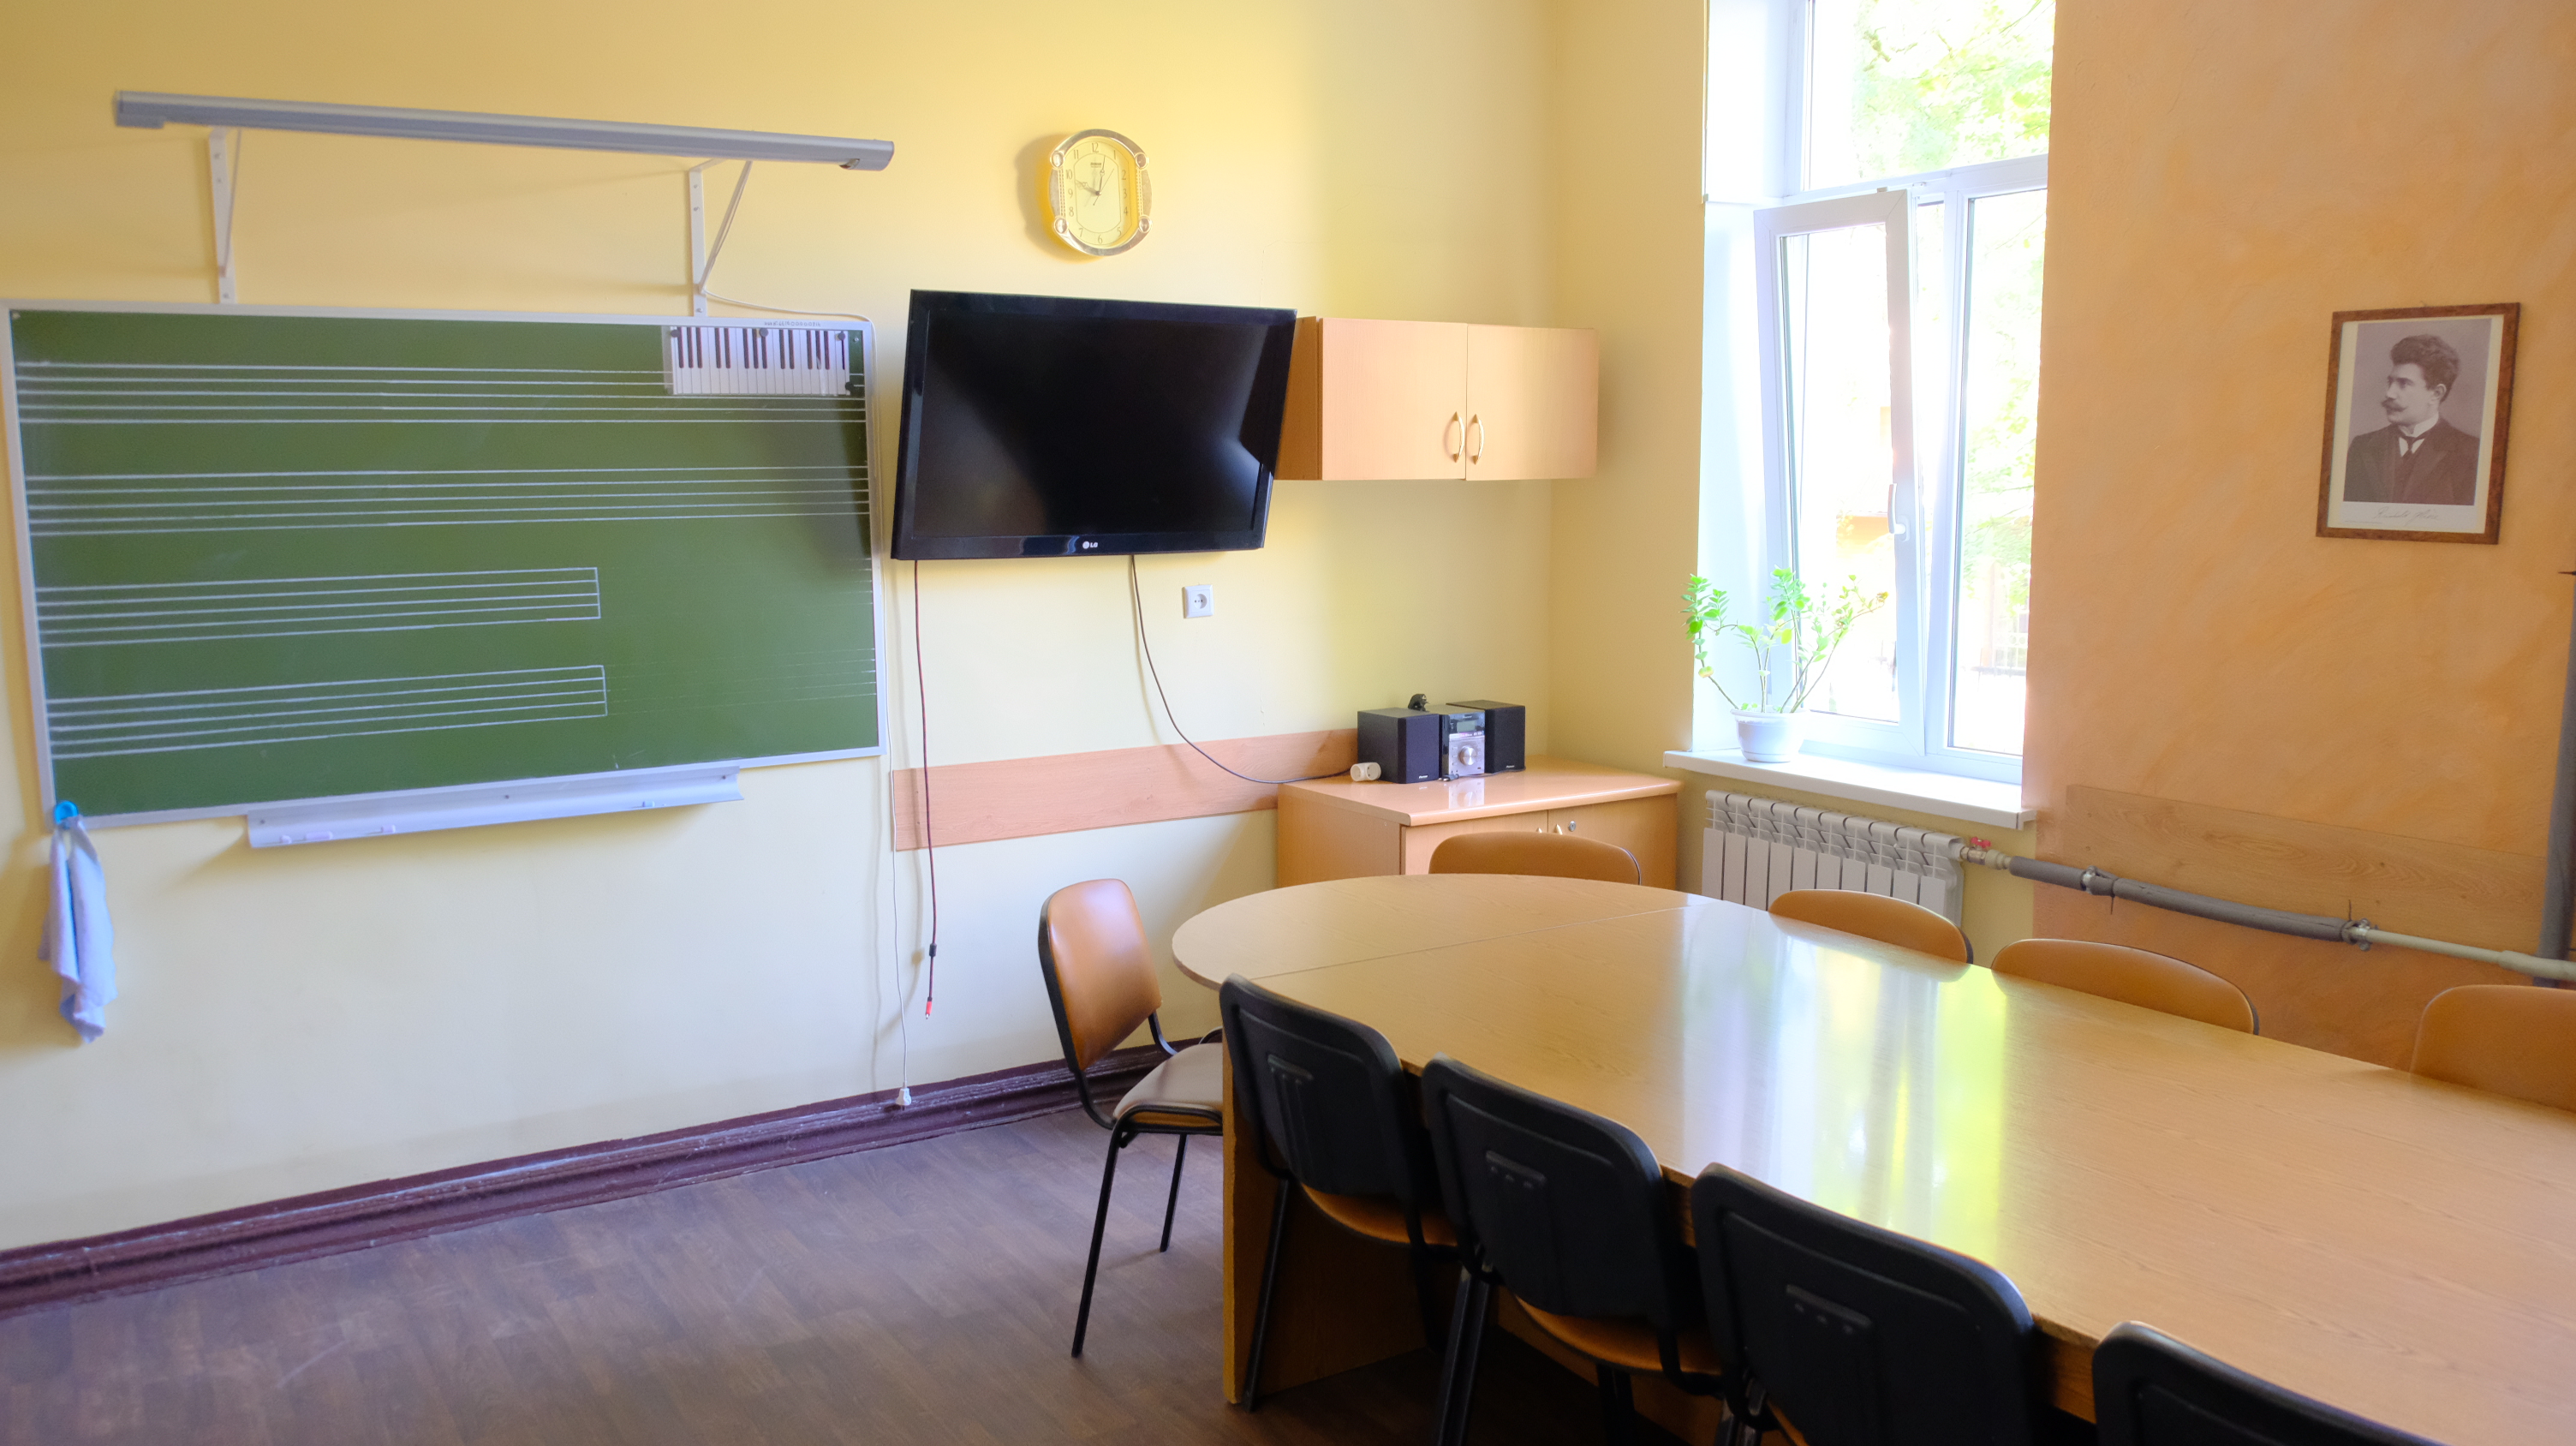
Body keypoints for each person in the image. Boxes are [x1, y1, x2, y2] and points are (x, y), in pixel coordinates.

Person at [2343, 332, 2480, 505]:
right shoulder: (2363, 447)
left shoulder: (2470, 452)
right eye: (2390, 382)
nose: (2389, 393)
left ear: (2436, 394)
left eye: (2403, 384)